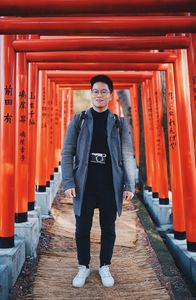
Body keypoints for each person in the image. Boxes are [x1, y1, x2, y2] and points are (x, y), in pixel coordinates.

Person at [61, 74, 136, 288]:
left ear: (110, 96)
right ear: (91, 94)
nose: (99, 95)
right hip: (84, 185)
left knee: (108, 229)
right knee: (82, 229)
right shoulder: (80, 120)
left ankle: (105, 266)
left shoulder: (119, 123)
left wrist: (129, 185)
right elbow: (67, 153)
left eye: (104, 91)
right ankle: (83, 266)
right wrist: (68, 182)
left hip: (109, 186)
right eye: (96, 91)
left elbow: (127, 154)